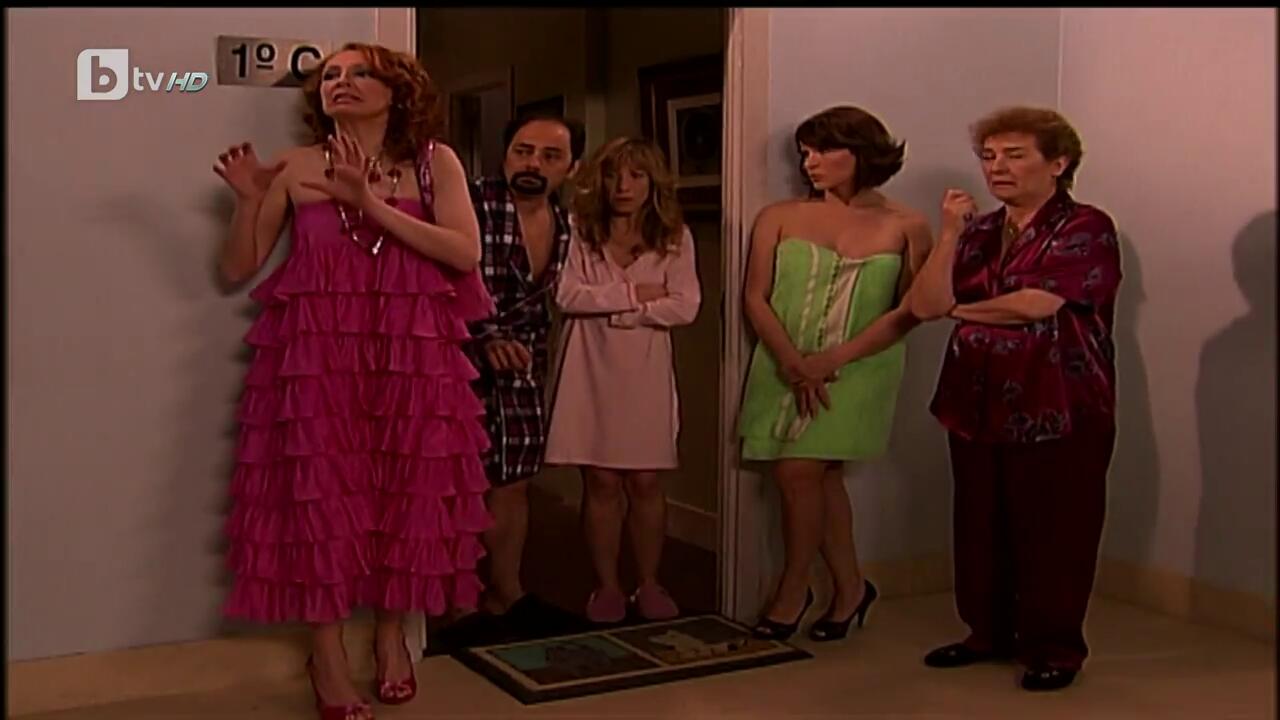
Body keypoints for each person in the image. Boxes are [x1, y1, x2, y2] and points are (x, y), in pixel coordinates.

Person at [214, 43, 492, 720]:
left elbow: (464, 252)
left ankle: (391, 637)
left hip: (412, 353)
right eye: (331, 75)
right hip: (316, 356)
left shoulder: (434, 163)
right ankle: (328, 655)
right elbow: (237, 269)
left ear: (397, 90)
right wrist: (248, 203)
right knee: (320, 499)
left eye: (360, 72)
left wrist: (370, 202)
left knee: (405, 489)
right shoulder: (295, 166)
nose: (341, 82)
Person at [908, 106, 1122, 692]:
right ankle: (988, 632)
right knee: (979, 524)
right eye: (989, 156)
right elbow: (923, 303)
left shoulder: (1086, 227)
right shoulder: (977, 232)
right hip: (974, 402)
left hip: (1060, 403)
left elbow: (1036, 303)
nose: (996, 167)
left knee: (1056, 530)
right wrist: (948, 235)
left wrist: (957, 310)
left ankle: (1054, 646)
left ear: (1058, 162)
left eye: (1014, 155)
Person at [736, 105, 932, 642]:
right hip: (784, 361)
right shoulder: (779, 216)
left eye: (824, 150)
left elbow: (912, 310)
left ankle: (792, 589)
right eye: (805, 153)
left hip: (861, 368)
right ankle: (851, 588)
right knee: (816, 477)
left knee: (799, 472)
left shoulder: (908, 225)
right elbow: (755, 296)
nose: (811, 162)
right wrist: (794, 362)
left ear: (861, 153)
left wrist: (833, 361)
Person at [544, 136, 702, 624]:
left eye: (635, 175)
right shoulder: (578, 231)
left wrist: (619, 310)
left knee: (646, 480)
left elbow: (685, 306)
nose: (623, 186)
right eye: (614, 175)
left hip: (645, 371)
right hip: (588, 367)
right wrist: (637, 294)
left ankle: (649, 582)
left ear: (653, 182)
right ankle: (607, 585)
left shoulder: (674, 236)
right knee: (601, 479)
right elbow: (566, 295)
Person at [462, 112, 588, 635]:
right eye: (523, 151)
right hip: (459, 356)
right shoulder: (470, 202)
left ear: (571, 168)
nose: (533, 164)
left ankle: (506, 592)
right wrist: (485, 336)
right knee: (457, 482)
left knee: (514, 480)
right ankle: (455, 599)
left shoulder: (567, 223)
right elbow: (442, 276)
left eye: (550, 155)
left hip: (526, 361)